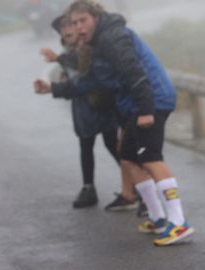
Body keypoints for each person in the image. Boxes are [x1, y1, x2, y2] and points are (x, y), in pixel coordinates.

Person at [36, 0, 194, 246]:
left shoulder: (112, 37)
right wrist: (53, 88)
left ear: (96, 18)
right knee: (129, 158)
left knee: (150, 158)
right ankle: (158, 217)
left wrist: (145, 110)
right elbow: (90, 81)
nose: (78, 28)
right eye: (74, 23)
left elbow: (134, 72)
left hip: (152, 100)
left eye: (83, 21)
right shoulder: (98, 44)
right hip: (134, 104)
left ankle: (178, 223)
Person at [38, 15, 122, 209]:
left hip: (102, 101)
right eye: (62, 28)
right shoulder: (66, 50)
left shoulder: (89, 46)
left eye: (70, 25)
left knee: (112, 144)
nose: (66, 30)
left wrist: (58, 62)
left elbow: (83, 66)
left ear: (79, 28)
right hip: (82, 105)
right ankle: (88, 187)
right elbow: (70, 74)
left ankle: (135, 185)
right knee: (86, 144)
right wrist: (60, 81)